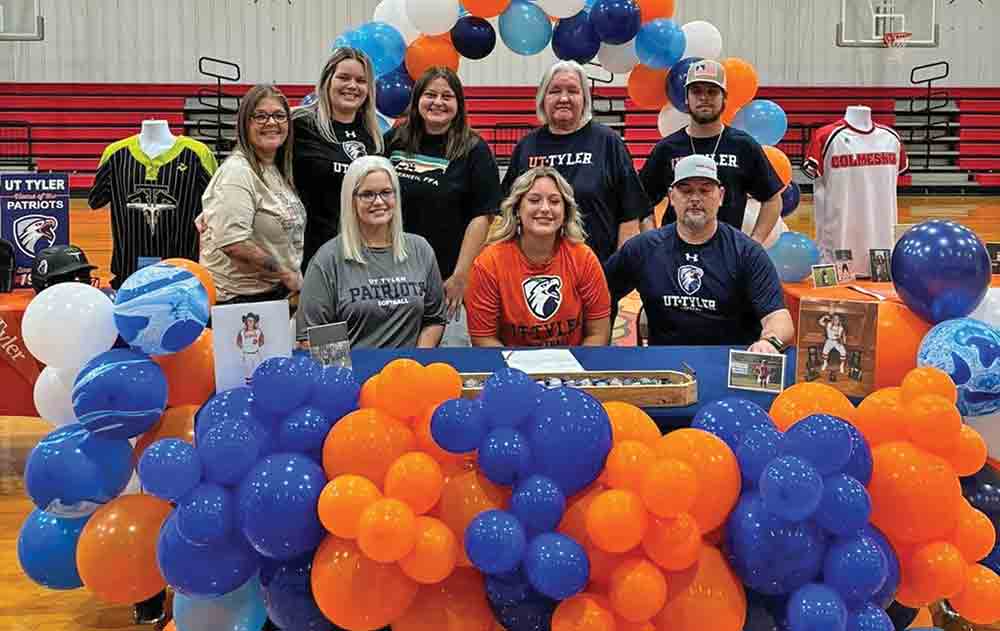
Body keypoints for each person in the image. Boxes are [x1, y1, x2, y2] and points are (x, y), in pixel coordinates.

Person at [604, 155, 794, 352]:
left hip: (729, 366)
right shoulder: (643, 249)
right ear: (671, 196)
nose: (695, 198)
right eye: (686, 190)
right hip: (667, 369)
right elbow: (600, 296)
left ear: (720, 196)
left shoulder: (747, 252)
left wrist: (769, 342)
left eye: (705, 190)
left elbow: (778, 317)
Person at [385, 66, 501, 347]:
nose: (438, 102)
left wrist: (461, 275)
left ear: (458, 105)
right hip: (394, 276)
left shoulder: (474, 150)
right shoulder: (393, 141)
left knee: (449, 361)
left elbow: (481, 217)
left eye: (447, 96)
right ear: (417, 100)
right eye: (430, 94)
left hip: (448, 279)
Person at [501, 60, 650, 265]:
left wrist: (617, 272)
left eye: (573, 90)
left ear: (585, 99)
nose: (564, 98)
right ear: (543, 98)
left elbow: (631, 214)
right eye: (555, 91)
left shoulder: (608, 142)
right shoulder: (527, 146)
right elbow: (508, 213)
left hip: (597, 272)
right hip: (536, 275)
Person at [297, 156, 447, 349]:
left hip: (408, 372)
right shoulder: (328, 258)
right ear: (350, 199)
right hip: (353, 374)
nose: (379, 202)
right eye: (367, 194)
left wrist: (416, 361)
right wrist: (345, 374)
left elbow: (434, 319)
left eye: (386, 192)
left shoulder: (420, 249)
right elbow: (312, 335)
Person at [638, 59, 784, 243]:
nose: (704, 97)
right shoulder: (667, 149)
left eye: (712, 91)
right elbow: (641, 203)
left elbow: (772, 199)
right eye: (696, 91)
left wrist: (755, 243)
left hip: (727, 256)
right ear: (686, 99)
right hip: (673, 255)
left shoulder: (743, 146)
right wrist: (652, 243)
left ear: (724, 99)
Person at [466, 166, 611, 347]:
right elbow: (484, 338)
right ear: (517, 209)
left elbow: (598, 333)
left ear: (566, 212)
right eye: (534, 200)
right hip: (510, 369)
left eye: (555, 201)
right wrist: (518, 373)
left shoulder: (584, 258)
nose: (545, 208)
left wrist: (569, 372)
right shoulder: (488, 264)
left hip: (572, 370)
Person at [198, 84, 305, 306]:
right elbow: (234, 243)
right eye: (261, 116)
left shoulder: (275, 169)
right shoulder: (237, 172)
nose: (272, 123)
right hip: (238, 303)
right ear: (245, 123)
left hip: (270, 296)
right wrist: (286, 275)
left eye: (279, 116)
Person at [293, 48, 383, 270]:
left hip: (360, 255)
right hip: (309, 254)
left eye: (361, 80)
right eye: (344, 77)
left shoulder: (373, 135)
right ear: (327, 81)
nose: (352, 86)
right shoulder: (300, 125)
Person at [237, 312, 264, 385]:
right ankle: (249, 386)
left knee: (257, 369)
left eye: (252, 320)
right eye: (248, 320)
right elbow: (239, 342)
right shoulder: (242, 332)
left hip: (256, 353)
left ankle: (258, 384)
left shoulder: (258, 331)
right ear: (246, 321)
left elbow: (261, 341)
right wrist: (244, 347)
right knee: (248, 371)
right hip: (247, 354)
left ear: (255, 322)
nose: (250, 322)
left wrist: (256, 344)